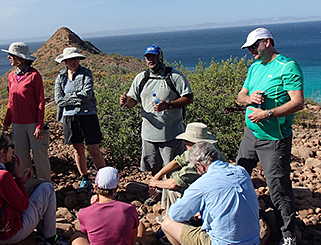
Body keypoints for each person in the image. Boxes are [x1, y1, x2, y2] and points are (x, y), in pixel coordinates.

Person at [236, 28, 304, 245]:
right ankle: (242, 222)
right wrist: (250, 98)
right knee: (239, 175)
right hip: (250, 134)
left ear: (267, 42)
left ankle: (287, 235)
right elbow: (240, 97)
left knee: (277, 187)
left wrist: (268, 114)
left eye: (254, 47)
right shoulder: (255, 68)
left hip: (274, 138)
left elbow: (297, 102)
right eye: (248, 49)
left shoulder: (288, 67)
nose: (251, 52)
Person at [119, 45, 193, 204]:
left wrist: (170, 105)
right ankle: (158, 193)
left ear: (160, 57)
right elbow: (133, 102)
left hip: (171, 133)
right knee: (154, 166)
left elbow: (188, 97)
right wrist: (126, 102)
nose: (150, 59)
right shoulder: (141, 78)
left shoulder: (174, 77)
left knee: (173, 167)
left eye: (153, 56)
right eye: (147, 57)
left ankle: (175, 197)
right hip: (149, 134)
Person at [162, 142, 260, 245]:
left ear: (200, 166)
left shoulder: (202, 183)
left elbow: (175, 215)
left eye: (195, 168)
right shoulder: (241, 171)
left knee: (167, 223)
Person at [0, 131, 70, 245]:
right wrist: (17, 178)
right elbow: (23, 205)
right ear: (2, 152)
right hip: (11, 233)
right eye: (11, 146)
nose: (13, 150)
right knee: (47, 188)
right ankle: (51, 241)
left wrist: (19, 181)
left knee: (36, 187)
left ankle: (41, 233)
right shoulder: (2, 175)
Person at [149, 122, 226, 220]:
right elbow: (178, 161)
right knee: (169, 174)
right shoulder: (205, 149)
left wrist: (156, 183)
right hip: (210, 186)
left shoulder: (200, 161)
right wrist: (157, 176)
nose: (184, 143)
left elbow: (174, 183)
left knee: (173, 190)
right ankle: (167, 210)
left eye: (186, 141)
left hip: (213, 194)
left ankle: (177, 219)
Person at [54, 47, 105, 193]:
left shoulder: (86, 73)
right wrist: (75, 99)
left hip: (87, 115)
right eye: (72, 59)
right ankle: (85, 178)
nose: (75, 61)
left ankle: (104, 179)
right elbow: (59, 100)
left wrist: (68, 99)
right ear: (65, 61)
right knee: (78, 150)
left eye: (77, 59)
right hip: (69, 117)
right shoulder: (61, 77)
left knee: (94, 149)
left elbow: (87, 94)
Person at [71, 166, 146, 245]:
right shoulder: (129, 209)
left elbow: (90, 236)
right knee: (140, 225)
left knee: (77, 237)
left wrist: (93, 205)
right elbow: (132, 241)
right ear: (116, 189)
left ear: (95, 187)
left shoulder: (85, 213)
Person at [2, 42, 51, 183]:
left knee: (40, 158)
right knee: (21, 159)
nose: (8, 57)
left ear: (20, 58)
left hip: (33, 123)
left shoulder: (34, 75)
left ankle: (46, 189)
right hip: (17, 124)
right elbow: (10, 102)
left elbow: (41, 102)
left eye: (11, 55)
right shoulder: (11, 76)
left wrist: (39, 125)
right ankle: (28, 189)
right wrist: (6, 124)